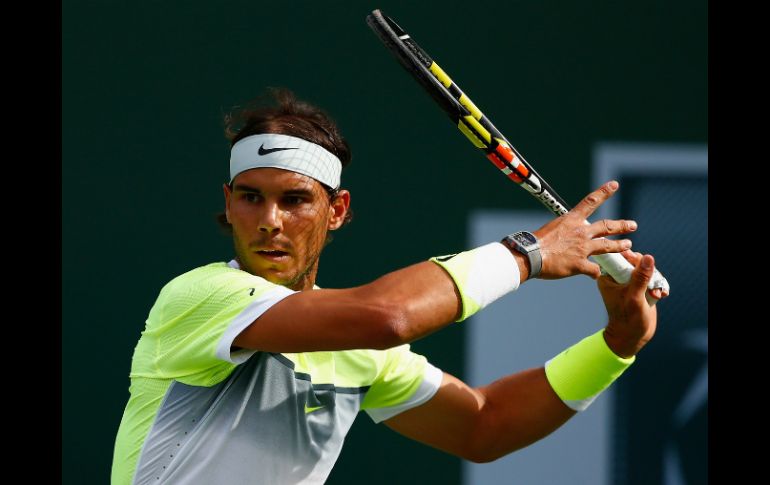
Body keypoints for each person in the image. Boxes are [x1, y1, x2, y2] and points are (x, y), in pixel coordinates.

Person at [111, 88, 665, 484]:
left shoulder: (350, 345)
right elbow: (388, 318)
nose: (270, 221)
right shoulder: (201, 296)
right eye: (251, 197)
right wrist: (529, 253)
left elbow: (484, 424)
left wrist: (616, 344)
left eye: (295, 199)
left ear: (336, 210)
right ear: (229, 204)